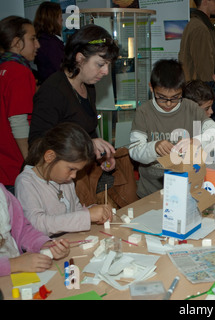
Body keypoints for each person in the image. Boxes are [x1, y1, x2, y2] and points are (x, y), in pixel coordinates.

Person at [29, 24, 137, 209]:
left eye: (108, 65)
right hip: (56, 187)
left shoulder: (88, 87)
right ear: (79, 58)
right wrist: (88, 144)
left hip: (81, 178)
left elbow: (87, 131)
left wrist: (101, 154)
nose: (105, 72)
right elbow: (37, 145)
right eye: (100, 64)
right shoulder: (53, 91)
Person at [129, 59, 215, 198]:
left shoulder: (191, 108)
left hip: (185, 190)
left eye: (175, 98)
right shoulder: (144, 112)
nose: (168, 103)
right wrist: (154, 147)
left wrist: (197, 141)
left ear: (182, 91)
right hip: (150, 193)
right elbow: (134, 151)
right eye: (161, 98)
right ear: (151, 88)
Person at [15, 123, 113, 237]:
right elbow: (37, 224)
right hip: (45, 249)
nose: (74, 176)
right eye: (71, 169)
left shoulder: (66, 180)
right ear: (50, 157)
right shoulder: (26, 182)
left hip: (69, 241)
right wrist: (87, 216)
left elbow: (75, 212)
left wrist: (93, 210)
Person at [0, 16, 40, 195]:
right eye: (32, 39)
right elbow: (18, 121)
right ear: (17, 43)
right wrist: (31, 164)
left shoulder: (4, 69)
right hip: (15, 168)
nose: (37, 45)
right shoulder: (19, 72)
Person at [0, 183, 70, 276]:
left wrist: (44, 244)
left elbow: (21, 229)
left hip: (17, 272)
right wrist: (14, 264)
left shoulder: (2, 192)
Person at [178, 0, 215, 82]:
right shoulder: (200, 28)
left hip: (196, 88)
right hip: (200, 90)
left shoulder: (197, 24)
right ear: (205, 1)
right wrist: (210, 90)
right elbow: (205, 68)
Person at [33, 1, 65, 85]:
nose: (62, 19)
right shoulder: (49, 43)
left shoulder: (45, 40)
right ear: (52, 19)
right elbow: (60, 70)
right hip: (55, 88)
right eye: (60, 16)